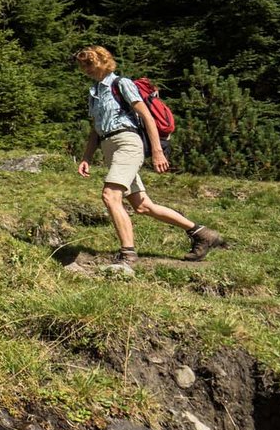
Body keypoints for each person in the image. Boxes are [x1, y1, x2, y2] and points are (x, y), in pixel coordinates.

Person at [74, 46, 225, 267]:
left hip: (127, 143)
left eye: (89, 63)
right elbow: (95, 129)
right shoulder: (94, 93)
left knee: (110, 196)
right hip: (109, 147)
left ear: (103, 61)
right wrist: (86, 158)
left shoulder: (121, 84)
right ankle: (202, 234)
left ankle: (128, 254)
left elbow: (146, 117)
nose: (86, 68)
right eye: (82, 65)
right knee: (143, 206)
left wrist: (157, 151)